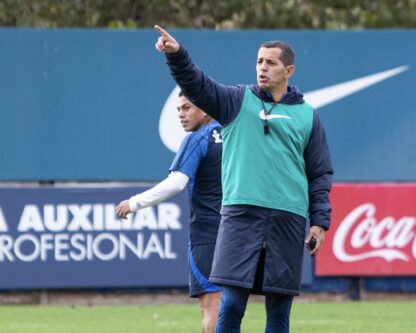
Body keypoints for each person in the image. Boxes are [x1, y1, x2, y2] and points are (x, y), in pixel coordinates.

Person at [154, 25, 333, 333]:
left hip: (288, 218)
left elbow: (319, 172)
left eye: (271, 62)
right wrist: (177, 56)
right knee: (233, 303)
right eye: (259, 61)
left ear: (288, 70)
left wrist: (319, 220)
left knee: (278, 311)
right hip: (240, 216)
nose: (262, 67)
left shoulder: (307, 115)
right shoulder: (236, 100)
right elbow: (197, 86)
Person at [115, 91, 223, 333]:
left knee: (212, 308)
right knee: (231, 307)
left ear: (204, 109)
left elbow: (176, 182)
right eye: (178, 109)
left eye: (187, 108)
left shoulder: (199, 138)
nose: (180, 115)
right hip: (239, 234)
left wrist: (134, 203)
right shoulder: (233, 134)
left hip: (208, 237)